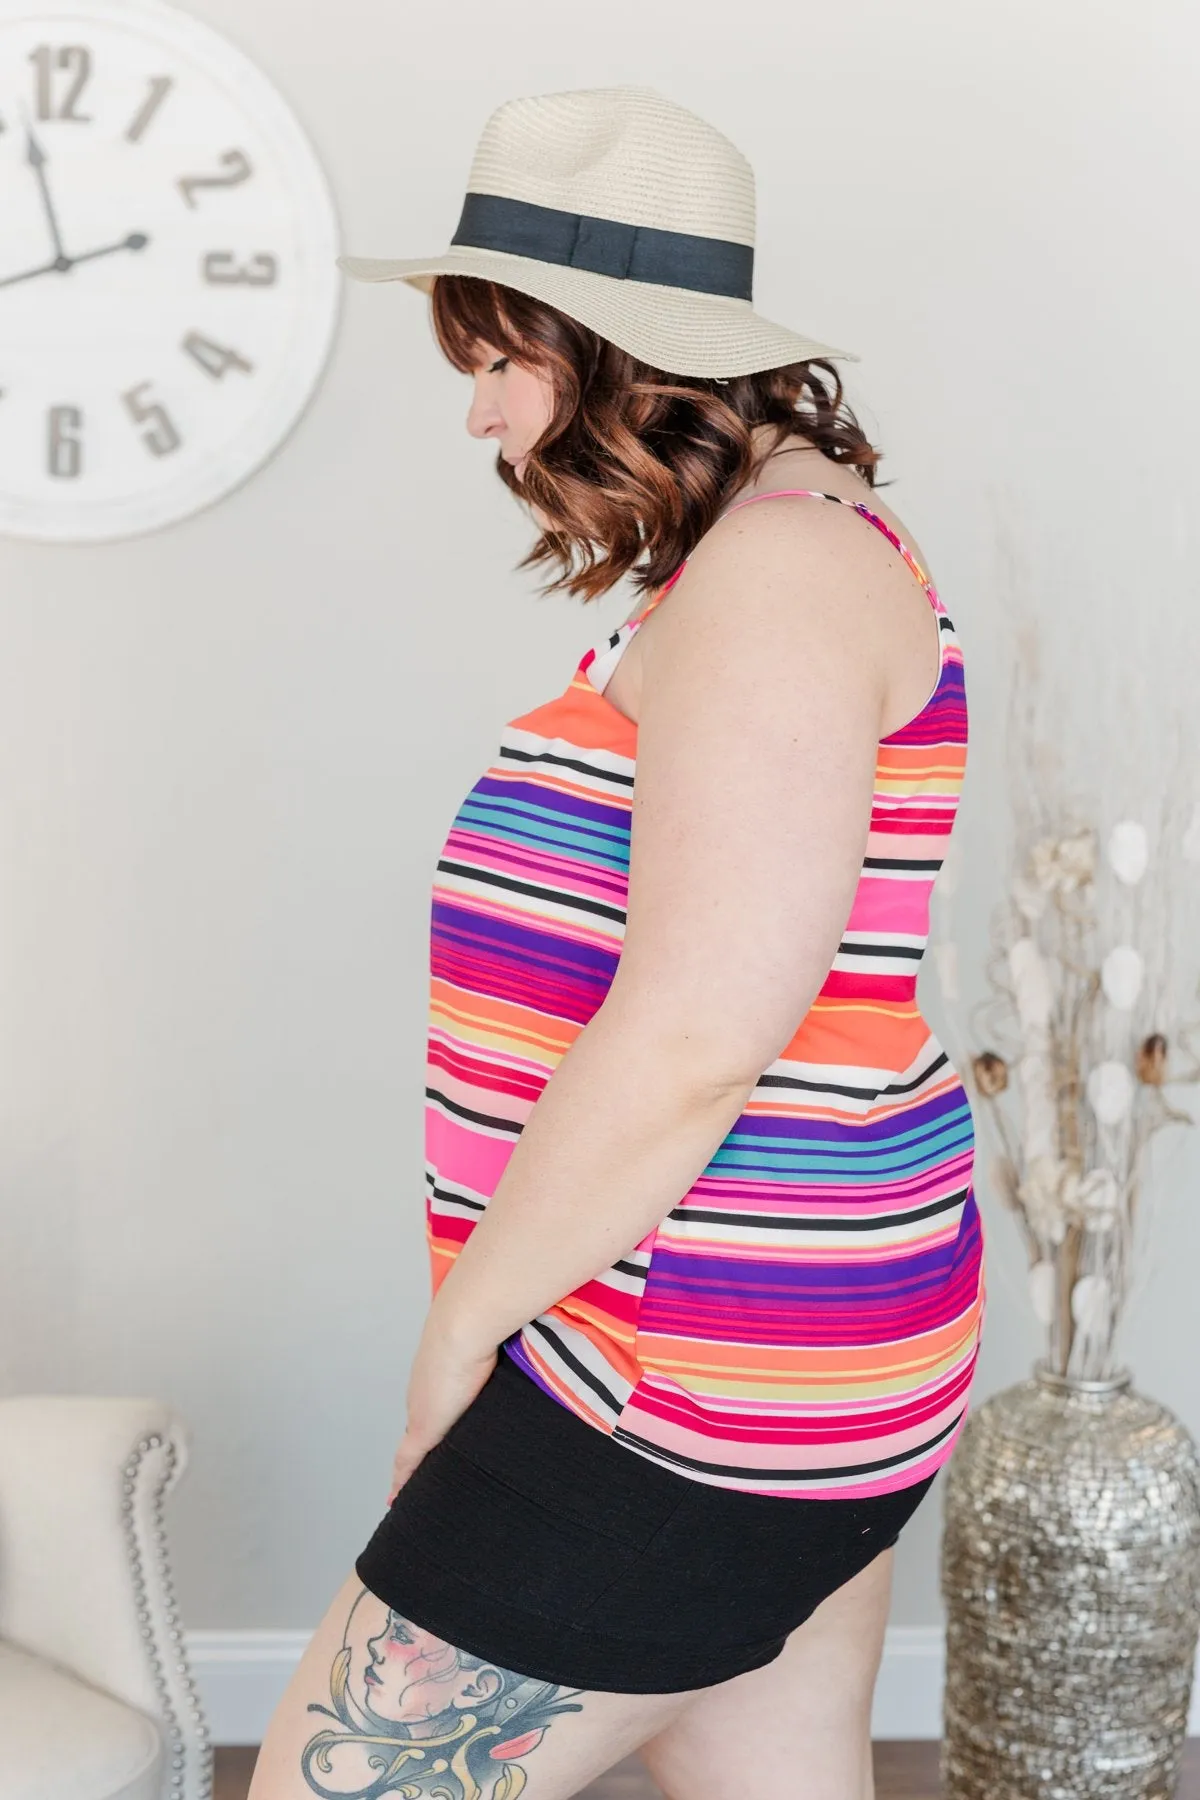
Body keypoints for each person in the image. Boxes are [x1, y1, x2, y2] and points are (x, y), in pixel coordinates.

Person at [248, 85, 986, 1800]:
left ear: (606, 348)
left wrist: (458, 1342)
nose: (483, 414)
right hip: (773, 1342)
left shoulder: (780, 582)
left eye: (498, 363)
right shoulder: (768, 557)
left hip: (681, 1378)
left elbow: (696, 1034)